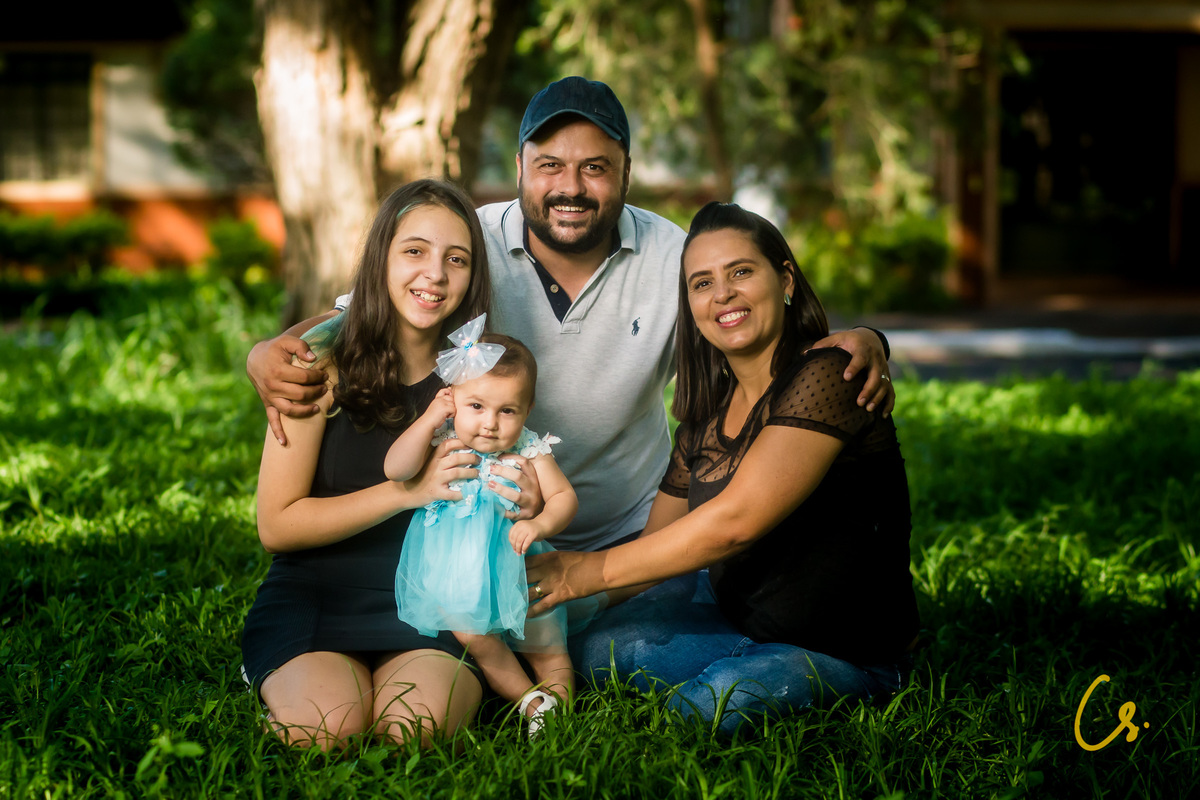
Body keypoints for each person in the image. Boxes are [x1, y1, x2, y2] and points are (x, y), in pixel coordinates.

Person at [245, 77, 895, 564]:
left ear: (626, 175)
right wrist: (267, 351)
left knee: (634, 651)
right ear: (522, 167)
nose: (571, 187)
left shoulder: (675, 256)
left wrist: (866, 341)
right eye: (550, 165)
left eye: (595, 168)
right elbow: (363, 314)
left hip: (638, 530)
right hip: (493, 524)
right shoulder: (466, 245)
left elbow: (765, 341)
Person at [524, 201, 920, 736]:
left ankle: (769, 678)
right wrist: (538, 607)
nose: (723, 294)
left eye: (740, 272)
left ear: (785, 280)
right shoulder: (704, 425)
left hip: (848, 652)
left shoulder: (832, 374)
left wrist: (579, 572)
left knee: (712, 708)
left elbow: (735, 522)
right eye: (701, 283)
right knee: (593, 648)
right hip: (736, 622)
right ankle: (736, 663)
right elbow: (658, 551)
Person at [242, 179, 509, 750]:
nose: (434, 274)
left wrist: (528, 496)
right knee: (327, 729)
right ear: (380, 258)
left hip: (435, 601)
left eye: (455, 259)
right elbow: (277, 525)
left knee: (417, 729)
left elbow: (509, 472)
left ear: (472, 277)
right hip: (317, 593)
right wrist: (407, 492)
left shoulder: (478, 379)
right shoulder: (319, 364)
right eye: (414, 251)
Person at [385, 321, 577, 735]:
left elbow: (564, 498)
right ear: (453, 399)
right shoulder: (444, 438)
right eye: (476, 406)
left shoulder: (528, 446)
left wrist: (541, 522)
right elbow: (395, 469)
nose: (490, 423)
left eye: (506, 410)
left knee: (546, 642)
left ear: (527, 409)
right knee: (476, 638)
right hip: (459, 573)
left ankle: (558, 710)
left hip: (520, 563)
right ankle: (529, 701)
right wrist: (430, 417)